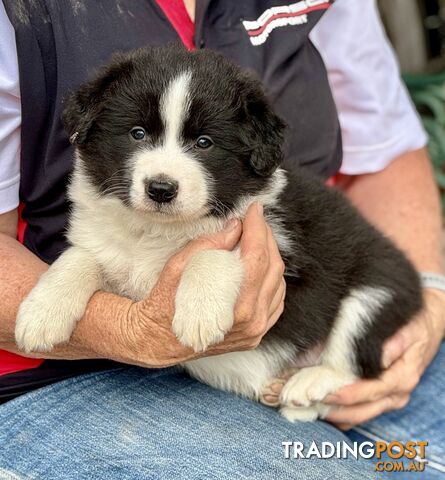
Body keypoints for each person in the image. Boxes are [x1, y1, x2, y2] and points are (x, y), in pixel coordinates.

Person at [0, 0, 444, 478]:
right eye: (137, 133)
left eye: (203, 143)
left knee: (419, 462)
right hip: (64, 377)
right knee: (334, 471)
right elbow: (95, 256)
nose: (162, 172)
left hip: (306, 349)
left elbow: (386, 154)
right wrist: (124, 327)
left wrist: (431, 302)